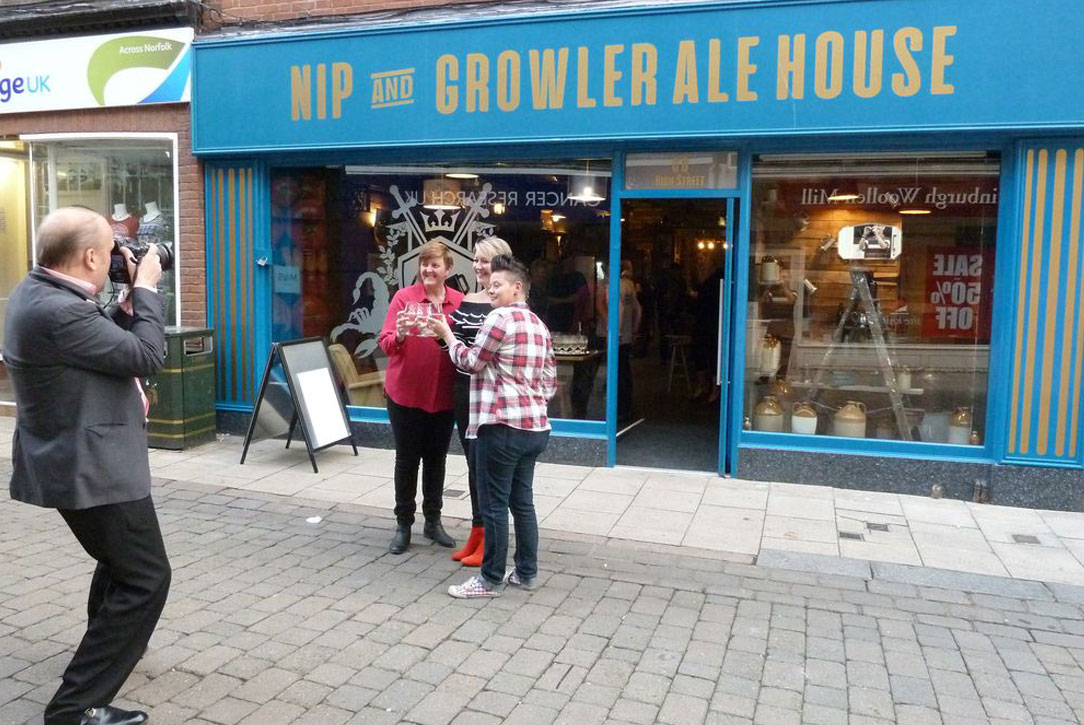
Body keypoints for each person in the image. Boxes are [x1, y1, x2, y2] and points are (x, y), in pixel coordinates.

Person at [4, 207, 170, 725]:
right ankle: (75, 707)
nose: (120, 257)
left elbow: (95, 345)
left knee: (120, 563)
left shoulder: (37, 293)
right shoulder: (60, 310)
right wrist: (146, 290)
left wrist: (122, 306)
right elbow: (146, 356)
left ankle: (115, 648)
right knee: (146, 578)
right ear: (92, 257)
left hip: (78, 458)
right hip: (92, 466)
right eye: (112, 249)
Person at [429, 256, 556, 598]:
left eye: (497, 285)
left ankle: (490, 579)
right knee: (523, 502)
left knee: (494, 505)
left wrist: (447, 336)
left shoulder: (499, 318)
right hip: (534, 428)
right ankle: (526, 573)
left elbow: (471, 362)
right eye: (490, 285)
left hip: (499, 427)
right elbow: (549, 381)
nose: (490, 290)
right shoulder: (539, 324)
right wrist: (529, 402)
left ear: (518, 287)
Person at [378, 241, 464, 554]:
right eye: (424, 264)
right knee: (407, 459)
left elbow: (465, 345)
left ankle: (433, 521)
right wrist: (400, 334)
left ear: (448, 269)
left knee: (436, 460)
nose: (428, 270)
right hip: (405, 393)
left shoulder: (459, 302)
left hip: (444, 395)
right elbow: (385, 343)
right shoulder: (404, 298)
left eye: (434, 265)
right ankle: (403, 524)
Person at [446, 236, 513, 567]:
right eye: (475, 259)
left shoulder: (506, 304)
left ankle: (490, 539)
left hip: (490, 394)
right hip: (463, 389)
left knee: (487, 467)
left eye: (484, 260)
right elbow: (453, 344)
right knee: (473, 463)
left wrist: (449, 339)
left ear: (500, 263)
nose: (477, 266)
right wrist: (436, 332)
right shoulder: (468, 299)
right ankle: (477, 531)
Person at [617, 259, 643, 421]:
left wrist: (617, 332)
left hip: (617, 336)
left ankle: (618, 409)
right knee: (625, 373)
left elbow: (619, 309)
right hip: (626, 335)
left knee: (616, 374)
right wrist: (634, 330)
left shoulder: (614, 285)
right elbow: (638, 309)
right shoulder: (629, 285)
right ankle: (626, 408)